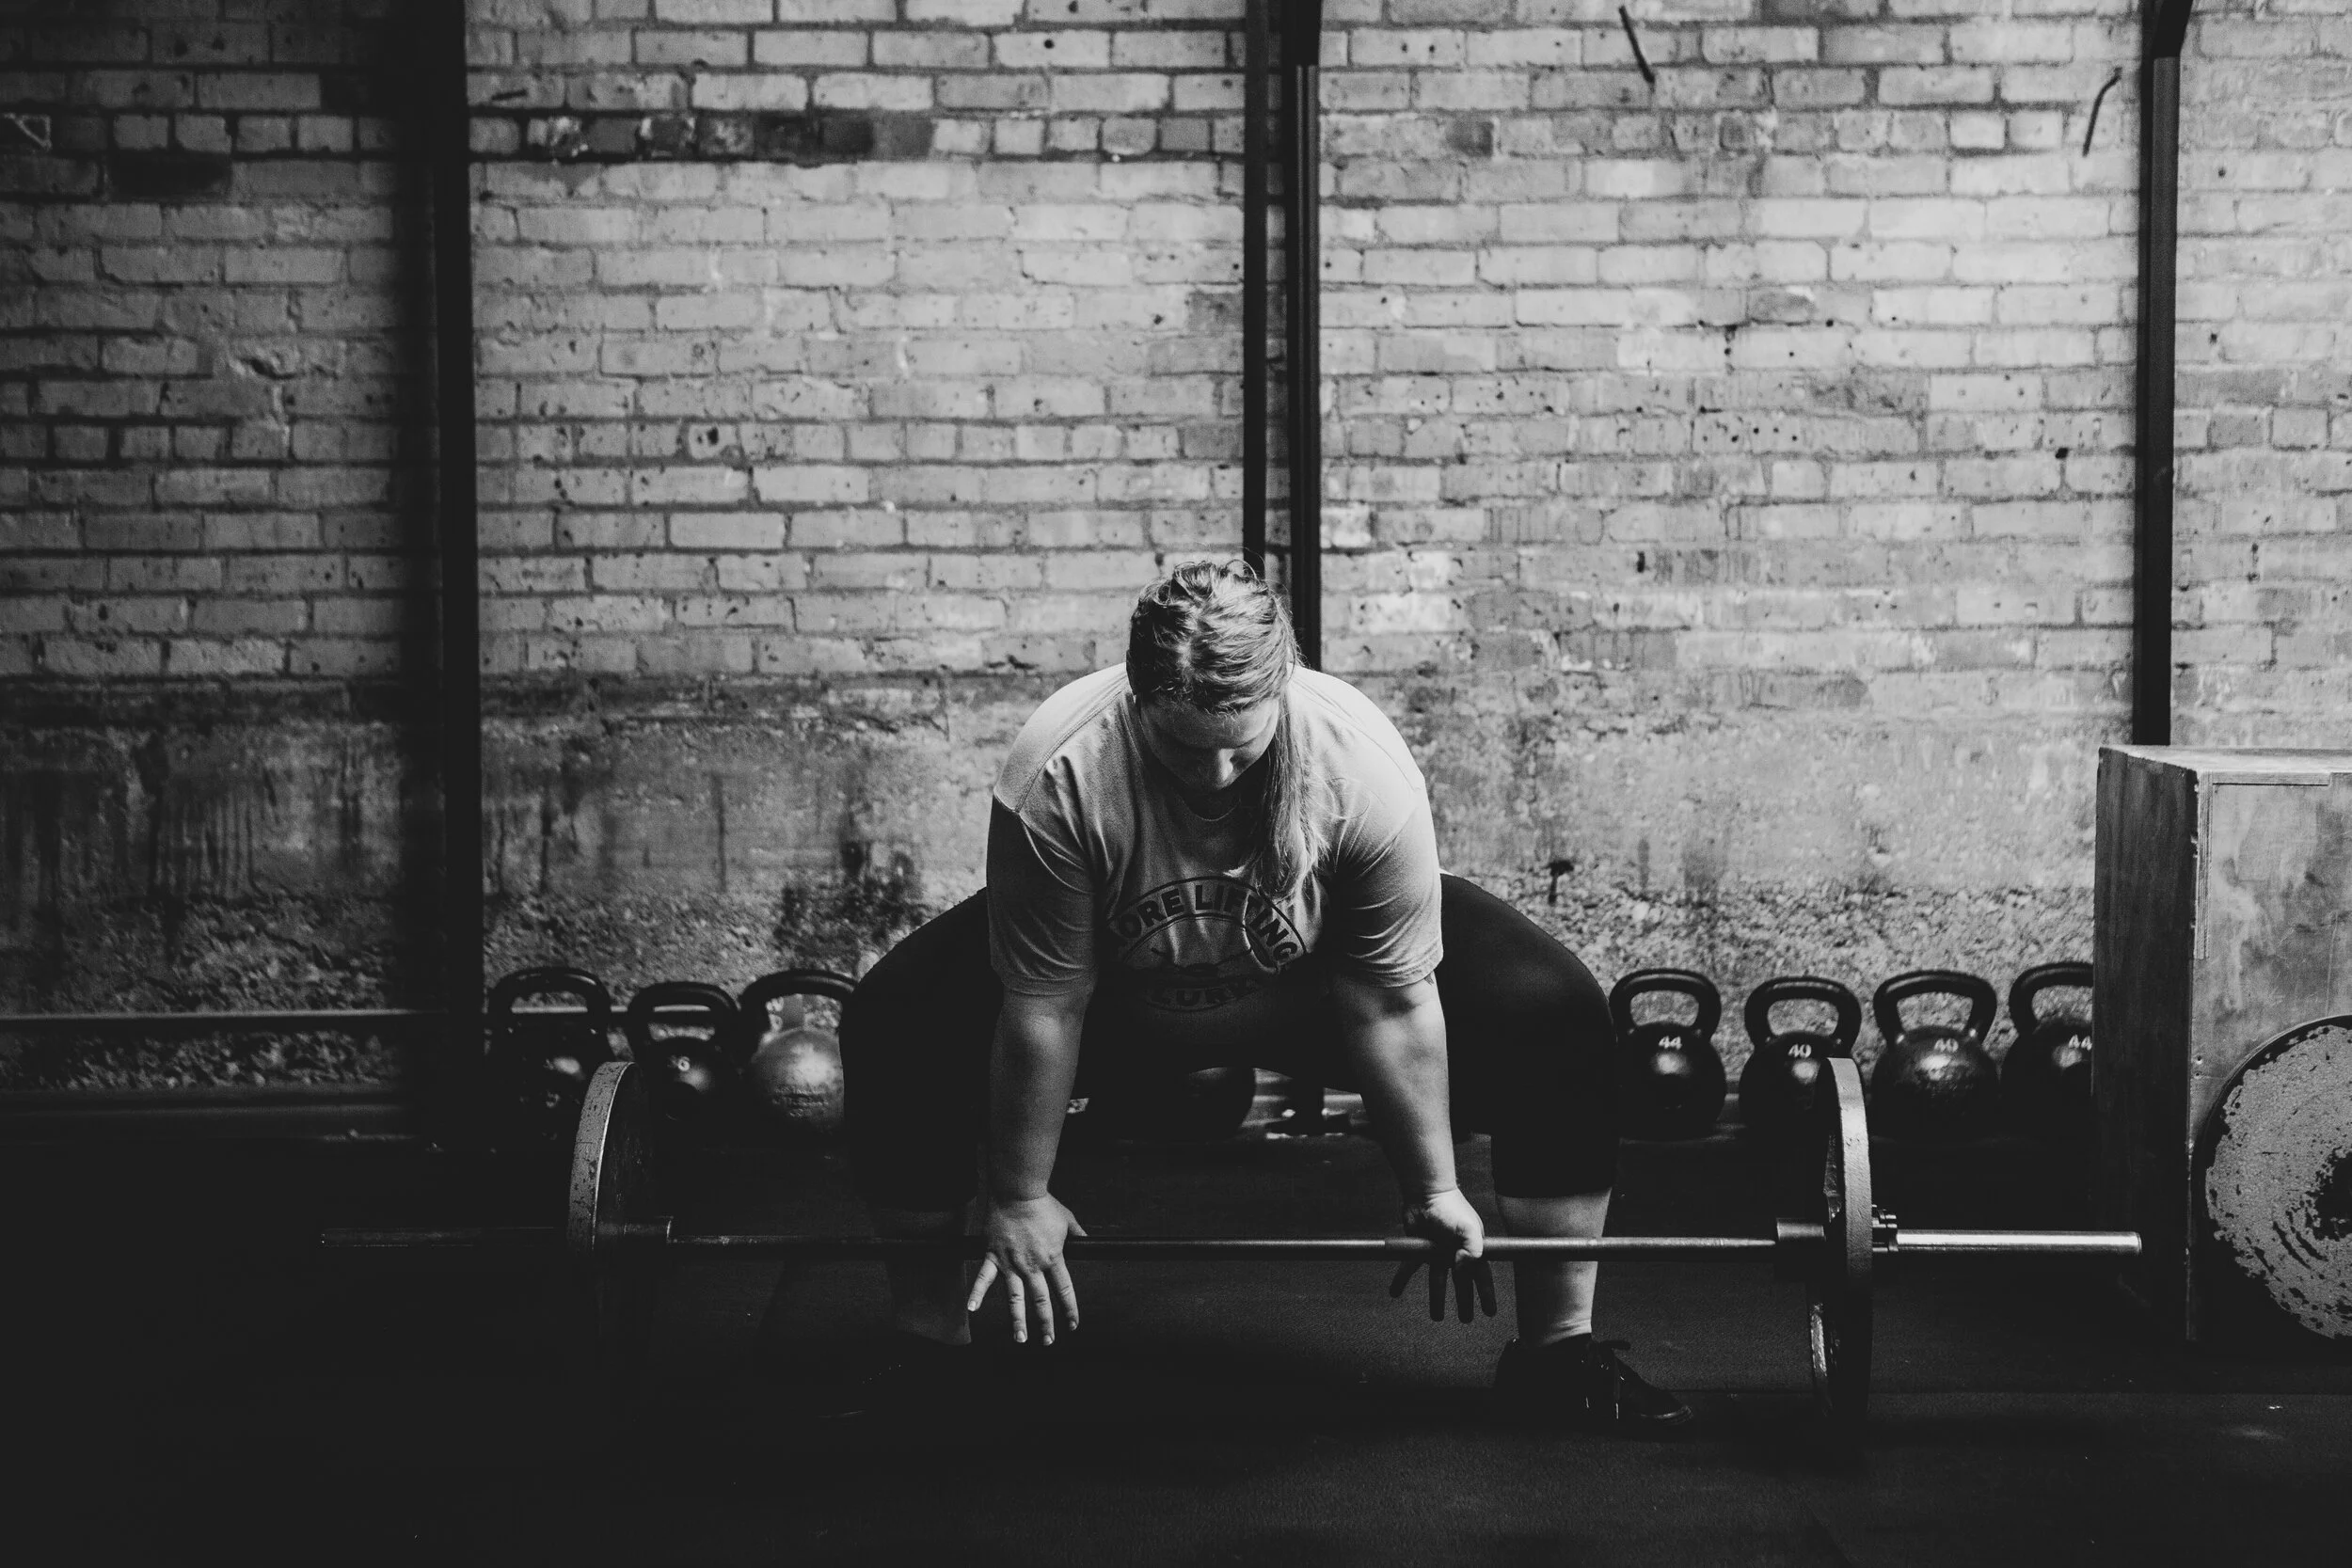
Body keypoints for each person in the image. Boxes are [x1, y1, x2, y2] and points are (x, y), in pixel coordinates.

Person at [839, 561, 1691, 1433]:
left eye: (1240, 749)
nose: (1214, 776)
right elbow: (1047, 1002)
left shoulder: (1359, 767)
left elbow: (1390, 999)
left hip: (1311, 996)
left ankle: (1558, 1354)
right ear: (1138, 699)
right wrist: (1021, 1194)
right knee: (897, 1016)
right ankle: (929, 1347)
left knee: (1555, 1011)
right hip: (1118, 1004)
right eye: (1183, 749)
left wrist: (1433, 1185)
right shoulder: (1062, 772)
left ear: (1281, 691)